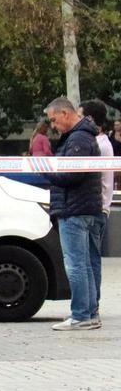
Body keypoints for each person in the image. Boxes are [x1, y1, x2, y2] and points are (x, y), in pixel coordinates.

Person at [42, 97, 103, 331]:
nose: (54, 126)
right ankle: (89, 313)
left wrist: (46, 169)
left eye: (54, 120)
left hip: (74, 210)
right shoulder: (84, 136)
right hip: (86, 208)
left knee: (76, 265)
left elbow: (70, 175)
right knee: (86, 264)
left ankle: (80, 315)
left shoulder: (78, 138)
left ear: (66, 114)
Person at [81, 100, 113, 321]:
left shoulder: (98, 145)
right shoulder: (104, 143)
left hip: (96, 207)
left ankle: (92, 305)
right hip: (101, 207)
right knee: (92, 258)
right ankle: (94, 304)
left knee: (90, 260)